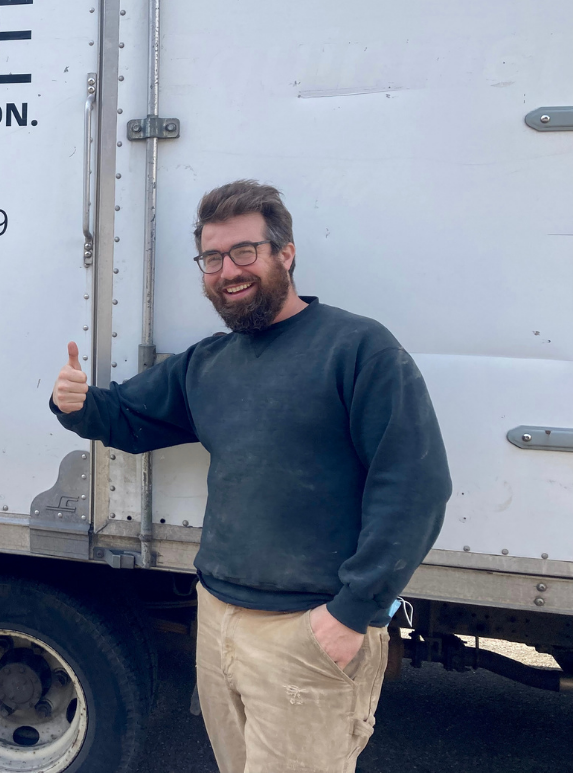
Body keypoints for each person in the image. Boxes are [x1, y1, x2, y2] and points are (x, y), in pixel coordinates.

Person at [50, 180, 451, 773]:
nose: (227, 271)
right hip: (217, 619)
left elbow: (415, 485)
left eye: (244, 252)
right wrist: (76, 405)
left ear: (284, 253)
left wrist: (352, 613)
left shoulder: (357, 348)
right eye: (211, 258)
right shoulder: (210, 362)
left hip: (310, 630)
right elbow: (130, 419)